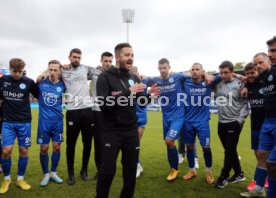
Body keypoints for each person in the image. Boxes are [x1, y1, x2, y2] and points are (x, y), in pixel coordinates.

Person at [96, 43, 159, 198]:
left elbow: (140, 102)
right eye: (127, 55)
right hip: (111, 131)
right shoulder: (104, 77)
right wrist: (127, 92)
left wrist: (150, 96)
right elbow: (104, 104)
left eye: (132, 55)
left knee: (130, 170)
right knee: (108, 170)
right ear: (117, 57)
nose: (130, 58)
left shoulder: (133, 77)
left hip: (131, 131)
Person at [146, 58, 194, 181]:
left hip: (178, 117)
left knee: (169, 140)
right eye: (160, 68)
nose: (162, 70)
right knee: (168, 144)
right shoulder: (155, 80)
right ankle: (173, 168)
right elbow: (140, 80)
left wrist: (206, 74)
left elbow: (192, 75)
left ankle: (178, 168)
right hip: (165, 117)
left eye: (164, 67)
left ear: (169, 67)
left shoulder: (177, 77)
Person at [62, 48, 101, 185]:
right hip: (73, 111)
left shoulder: (85, 69)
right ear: (69, 57)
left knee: (87, 143)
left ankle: (84, 170)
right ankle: (70, 173)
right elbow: (49, 71)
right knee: (70, 144)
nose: (77, 59)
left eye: (79, 57)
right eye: (74, 57)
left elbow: (102, 70)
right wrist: (42, 75)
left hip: (87, 111)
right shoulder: (63, 70)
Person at [0, 58, 38, 194]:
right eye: (14, 71)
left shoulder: (29, 82)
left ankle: (20, 179)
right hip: (8, 122)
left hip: (24, 122)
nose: (17, 74)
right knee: (6, 151)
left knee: (23, 151)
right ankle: (7, 179)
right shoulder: (3, 80)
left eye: (20, 71)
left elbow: (39, 95)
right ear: (10, 69)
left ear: (23, 70)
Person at [241, 53, 276, 197]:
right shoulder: (259, 78)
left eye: (260, 62)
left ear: (269, 61)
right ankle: (259, 187)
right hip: (264, 123)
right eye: (256, 64)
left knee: (271, 162)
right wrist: (244, 84)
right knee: (261, 154)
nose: (258, 66)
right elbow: (245, 78)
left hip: (271, 120)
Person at [182, 63, 220, 184]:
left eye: (197, 69)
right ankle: (192, 170)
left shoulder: (209, 81)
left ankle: (208, 171)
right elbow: (172, 76)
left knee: (206, 148)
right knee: (189, 147)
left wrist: (207, 74)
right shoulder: (186, 82)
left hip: (203, 122)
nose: (194, 71)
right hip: (188, 122)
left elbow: (225, 74)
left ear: (202, 71)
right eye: (192, 69)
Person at [214, 60, 249, 189]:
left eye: (226, 72)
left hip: (234, 122)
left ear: (232, 72)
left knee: (229, 151)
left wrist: (239, 121)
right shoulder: (218, 84)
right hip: (221, 122)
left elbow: (245, 104)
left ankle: (223, 177)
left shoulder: (241, 84)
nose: (223, 75)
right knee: (230, 150)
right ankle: (239, 173)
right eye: (221, 72)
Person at [37, 60, 66, 186]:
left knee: (57, 147)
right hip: (43, 122)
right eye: (51, 70)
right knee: (44, 148)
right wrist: (40, 74)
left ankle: (53, 172)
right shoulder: (40, 83)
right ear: (47, 70)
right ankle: (46, 174)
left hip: (57, 122)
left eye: (55, 70)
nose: (53, 72)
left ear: (59, 71)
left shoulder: (64, 85)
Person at [240, 63, 267, 193]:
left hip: (267, 123)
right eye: (247, 73)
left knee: (263, 153)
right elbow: (238, 76)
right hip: (254, 124)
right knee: (257, 152)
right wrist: (245, 85)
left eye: (252, 72)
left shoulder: (265, 82)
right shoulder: (249, 84)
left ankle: (259, 180)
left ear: (258, 71)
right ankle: (265, 175)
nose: (250, 75)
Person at [90, 51, 113, 180]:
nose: (108, 64)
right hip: (97, 112)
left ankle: (109, 169)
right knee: (98, 142)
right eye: (106, 61)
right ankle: (100, 170)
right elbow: (76, 70)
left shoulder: (116, 74)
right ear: (101, 61)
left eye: (110, 61)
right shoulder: (93, 72)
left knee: (111, 142)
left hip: (111, 112)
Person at [130, 66, 147, 178]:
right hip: (129, 118)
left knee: (135, 143)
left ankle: (136, 166)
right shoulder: (127, 84)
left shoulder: (141, 84)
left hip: (140, 117)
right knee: (132, 144)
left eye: (134, 72)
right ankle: (138, 165)